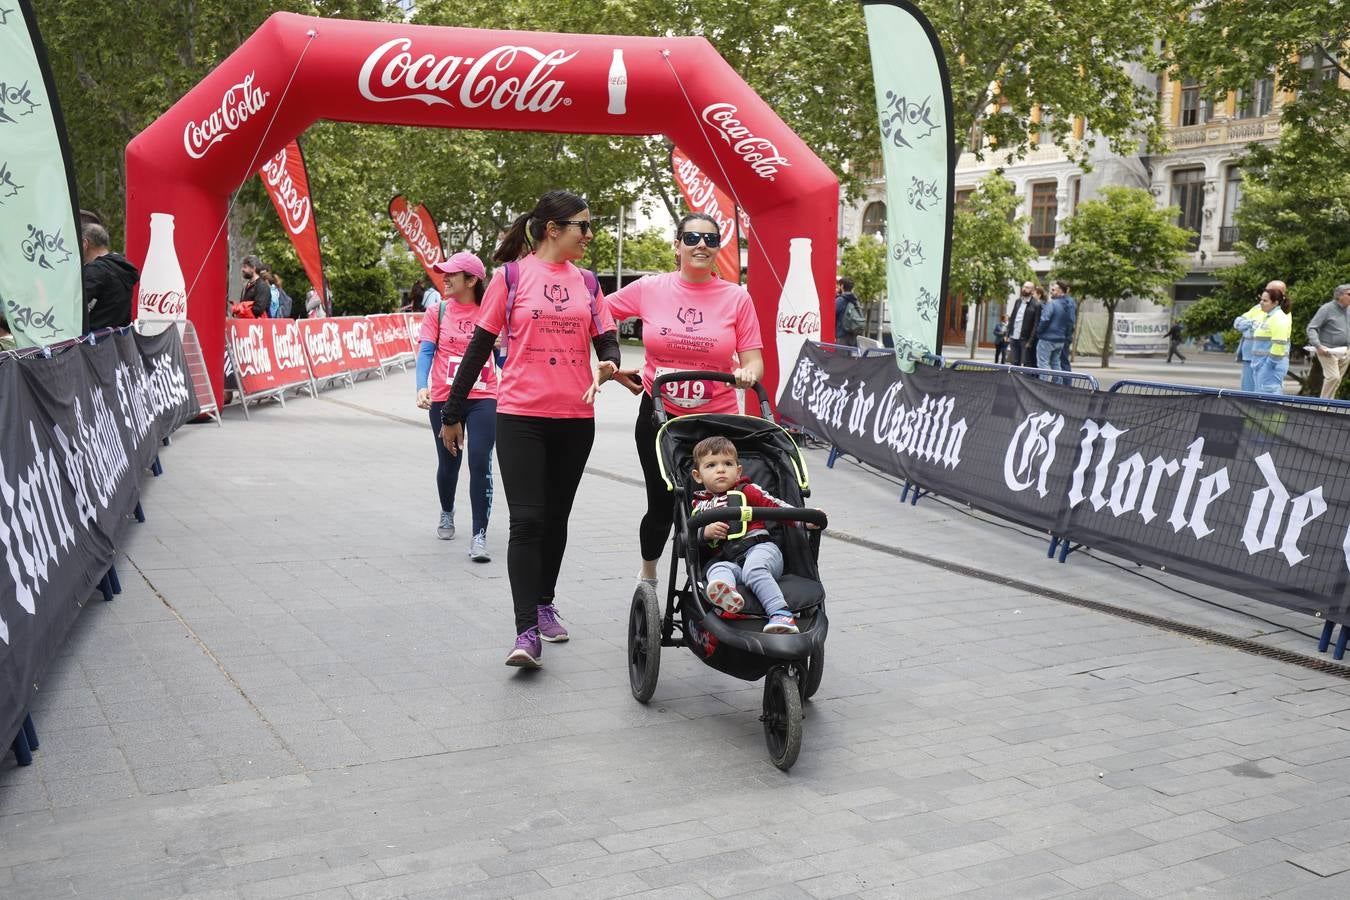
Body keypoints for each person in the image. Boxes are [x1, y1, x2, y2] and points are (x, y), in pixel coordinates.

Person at [438, 190, 637, 669]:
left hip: (575, 419)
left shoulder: (588, 283)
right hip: (521, 416)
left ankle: (545, 602)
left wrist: (609, 365)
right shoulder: (510, 277)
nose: (589, 235)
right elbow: (479, 348)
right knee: (527, 521)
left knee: (556, 518)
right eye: (582, 227)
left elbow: (608, 341)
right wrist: (453, 413)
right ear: (553, 229)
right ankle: (525, 630)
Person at [607, 212, 764, 592]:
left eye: (710, 240)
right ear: (676, 245)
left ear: (718, 250)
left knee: (716, 500)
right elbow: (598, 315)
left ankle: (715, 577)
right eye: (692, 237)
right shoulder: (650, 288)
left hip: (716, 420)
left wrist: (749, 373)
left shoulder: (736, 297)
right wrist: (612, 367)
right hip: (660, 415)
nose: (701, 245)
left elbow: (754, 359)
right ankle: (648, 574)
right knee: (663, 504)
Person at [690, 436, 821, 635]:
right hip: (731, 561)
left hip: (762, 550)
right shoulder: (699, 506)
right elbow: (688, 537)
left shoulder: (746, 490)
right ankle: (728, 593)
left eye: (728, 464)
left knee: (754, 569)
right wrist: (705, 532)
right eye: (711, 465)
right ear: (698, 476)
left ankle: (781, 613)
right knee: (717, 569)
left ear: (738, 470)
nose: (721, 469)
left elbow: (776, 507)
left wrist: (805, 520)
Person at [416, 251, 497, 560]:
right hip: (444, 399)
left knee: (479, 462)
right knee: (449, 464)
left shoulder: (492, 313)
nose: (445, 278)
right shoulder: (436, 312)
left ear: (472, 280)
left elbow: (505, 357)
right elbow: (426, 352)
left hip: (484, 397)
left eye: (451, 273)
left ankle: (479, 535)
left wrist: (505, 349)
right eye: (444, 273)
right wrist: (421, 386)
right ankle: (447, 510)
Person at [81, 222, 138, 331]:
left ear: (85, 244)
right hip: (119, 340)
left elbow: (74, 307)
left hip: (93, 343)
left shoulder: (96, 270)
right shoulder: (122, 266)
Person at [1237, 284, 1292, 394]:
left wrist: (1268, 365)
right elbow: (1239, 323)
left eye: (1265, 301)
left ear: (1275, 302)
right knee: (1261, 399)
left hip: (1269, 366)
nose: (1261, 303)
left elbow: (1279, 345)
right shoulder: (1268, 316)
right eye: (1261, 299)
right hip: (1261, 364)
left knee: (1269, 398)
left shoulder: (1279, 318)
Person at [1306, 284, 1350, 399]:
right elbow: (1312, 328)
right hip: (1327, 350)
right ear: (1339, 296)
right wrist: (1318, 346)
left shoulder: (1349, 309)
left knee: (1337, 381)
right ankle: (1322, 407)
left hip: (1345, 351)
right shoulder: (1327, 308)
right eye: (1349, 294)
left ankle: (1328, 405)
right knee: (1333, 377)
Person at [1036, 280, 1076, 380]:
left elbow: (1045, 319)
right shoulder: (1069, 305)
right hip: (1061, 340)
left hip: (1047, 338)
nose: (1051, 292)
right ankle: (1057, 386)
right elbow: (1071, 322)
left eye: (1053, 290)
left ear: (1059, 291)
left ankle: (1042, 386)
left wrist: (1039, 331)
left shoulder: (1053, 304)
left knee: (1043, 364)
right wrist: (1066, 336)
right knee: (1056, 364)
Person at [1006, 281, 1039, 366]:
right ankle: (1014, 379)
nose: (1024, 289)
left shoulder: (1036, 304)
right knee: (1014, 362)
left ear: (1032, 291)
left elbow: (1036, 325)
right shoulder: (1018, 301)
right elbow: (1012, 318)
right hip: (1014, 337)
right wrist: (1008, 333)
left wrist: (1030, 341)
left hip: (1025, 339)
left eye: (1027, 288)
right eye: (1024, 287)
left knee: (1026, 363)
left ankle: (1024, 379)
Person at [834, 277, 862, 347]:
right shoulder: (855, 300)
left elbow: (831, 315)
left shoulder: (840, 300)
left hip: (841, 335)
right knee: (850, 357)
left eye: (839, 285)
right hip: (853, 335)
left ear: (842, 286)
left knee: (840, 357)